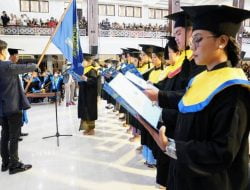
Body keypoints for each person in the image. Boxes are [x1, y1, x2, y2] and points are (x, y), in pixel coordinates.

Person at [138, 5, 250, 190]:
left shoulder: (234, 91)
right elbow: (188, 112)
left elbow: (222, 152)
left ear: (222, 41)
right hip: (184, 174)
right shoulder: (200, 78)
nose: (192, 46)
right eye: (192, 40)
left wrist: (172, 147)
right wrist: (157, 106)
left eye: (198, 39)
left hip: (212, 183)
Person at [0, 39, 36, 174]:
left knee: (4, 135)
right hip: (12, 106)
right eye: (4, 50)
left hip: (2, 107)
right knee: (14, 137)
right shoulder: (6, 66)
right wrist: (34, 65)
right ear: (2, 51)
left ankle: (5, 163)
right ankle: (14, 165)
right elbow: (24, 68)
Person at [8, 48, 29, 141]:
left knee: (20, 115)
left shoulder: (15, 66)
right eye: (17, 55)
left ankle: (19, 132)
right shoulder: (9, 66)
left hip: (19, 94)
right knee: (14, 117)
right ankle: (14, 135)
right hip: (13, 96)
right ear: (12, 56)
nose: (18, 57)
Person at [78, 53, 98, 135]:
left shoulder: (92, 70)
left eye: (84, 61)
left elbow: (94, 81)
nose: (83, 62)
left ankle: (91, 129)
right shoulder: (83, 69)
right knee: (84, 111)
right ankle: (86, 128)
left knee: (90, 111)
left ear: (89, 61)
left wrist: (86, 79)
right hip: (83, 93)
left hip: (90, 95)